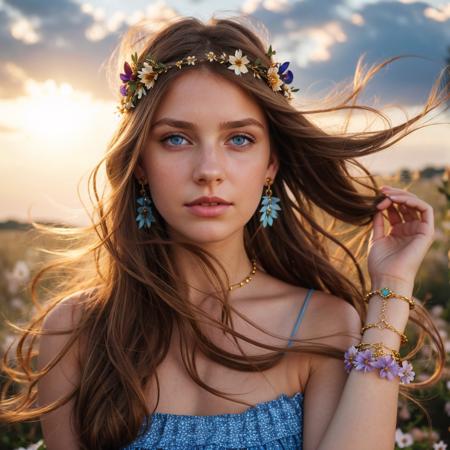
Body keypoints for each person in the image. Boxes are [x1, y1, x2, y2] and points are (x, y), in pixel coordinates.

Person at [0, 14, 448, 450]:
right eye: (176, 138)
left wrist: (390, 291)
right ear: (139, 163)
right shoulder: (77, 330)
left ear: (270, 164)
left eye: (240, 139)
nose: (209, 171)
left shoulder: (320, 324)